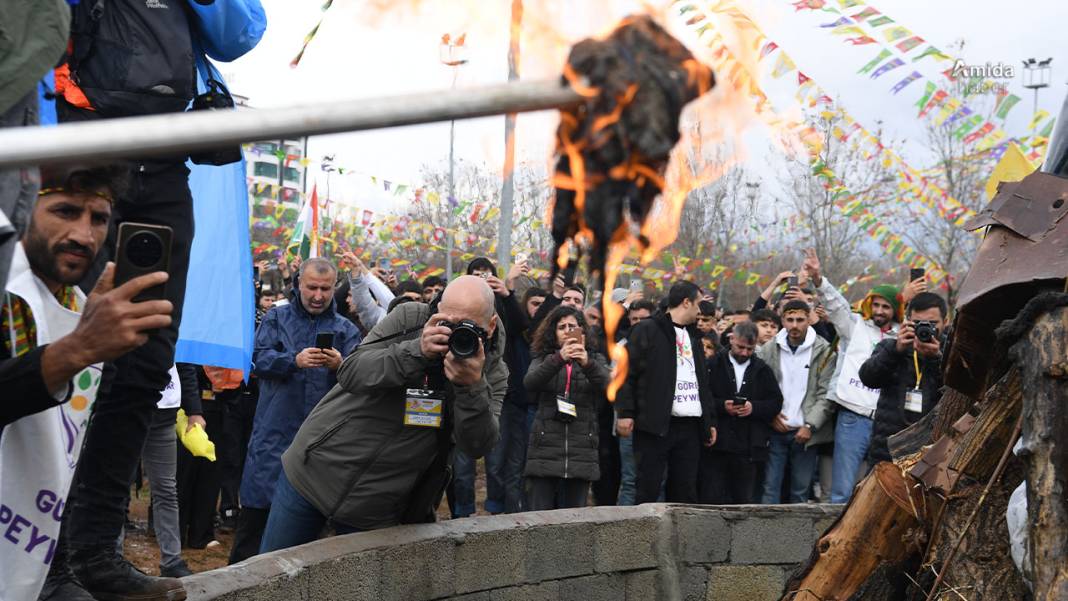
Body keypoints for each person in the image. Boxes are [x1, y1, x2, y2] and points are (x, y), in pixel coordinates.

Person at [56, 2, 263, 596]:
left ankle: (95, 554)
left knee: (146, 364)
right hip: (82, 149)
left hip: (165, 168)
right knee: (66, 358)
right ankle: (47, 560)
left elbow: (239, 33)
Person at [0, 166, 174, 601]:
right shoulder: (8, 291)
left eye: (99, 218)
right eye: (65, 211)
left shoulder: (79, 305)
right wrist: (77, 349)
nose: (84, 234)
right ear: (24, 210)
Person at [258, 276, 505, 552]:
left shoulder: (493, 372)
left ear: (491, 325)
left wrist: (471, 387)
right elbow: (351, 371)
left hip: (378, 505)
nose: (456, 334)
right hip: (315, 471)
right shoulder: (410, 320)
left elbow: (477, 445)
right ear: (438, 309)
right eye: (448, 322)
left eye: (468, 326)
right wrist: (416, 352)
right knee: (275, 568)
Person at [229, 258, 361, 563]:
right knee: (254, 526)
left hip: (321, 444)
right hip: (273, 436)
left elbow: (362, 377)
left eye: (325, 289)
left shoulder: (345, 329)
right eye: (312, 287)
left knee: (306, 539)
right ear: (298, 284)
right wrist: (293, 360)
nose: (318, 295)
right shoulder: (276, 319)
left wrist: (341, 365)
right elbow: (257, 360)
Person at [804, 249, 920, 503]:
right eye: (875, 304)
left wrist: (908, 298)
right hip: (852, 418)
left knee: (879, 492)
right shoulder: (853, 326)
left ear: (895, 310)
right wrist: (818, 278)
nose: (879, 310)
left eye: (885, 306)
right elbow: (836, 305)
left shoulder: (902, 336)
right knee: (842, 492)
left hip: (887, 423)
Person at [616, 281, 717, 504]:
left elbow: (702, 382)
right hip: (655, 424)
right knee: (648, 488)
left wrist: (709, 420)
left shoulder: (695, 337)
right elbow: (626, 374)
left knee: (685, 491)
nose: (700, 311)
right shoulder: (647, 329)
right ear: (686, 302)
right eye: (698, 304)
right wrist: (625, 412)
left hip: (690, 425)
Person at [523, 306, 610, 509]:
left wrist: (587, 363)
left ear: (583, 331)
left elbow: (609, 386)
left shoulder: (595, 359)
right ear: (553, 332)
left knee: (575, 516)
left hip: (582, 445)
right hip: (546, 444)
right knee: (540, 514)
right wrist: (559, 358)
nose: (567, 331)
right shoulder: (544, 357)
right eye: (562, 327)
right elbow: (529, 382)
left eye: (572, 326)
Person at [755, 299, 836, 504]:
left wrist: (810, 425)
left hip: (805, 432)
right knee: (770, 488)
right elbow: (759, 388)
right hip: (776, 428)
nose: (794, 325)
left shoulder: (823, 350)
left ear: (808, 320)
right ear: (782, 320)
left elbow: (826, 394)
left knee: (800, 491)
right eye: (790, 319)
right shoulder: (769, 349)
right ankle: (766, 526)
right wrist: (770, 416)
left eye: (800, 320)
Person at [701, 322, 783, 504]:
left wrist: (754, 408)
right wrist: (722, 406)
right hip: (717, 444)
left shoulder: (762, 369)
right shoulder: (713, 365)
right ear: (732, 339)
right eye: (740, 347)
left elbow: (775, 402)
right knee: (711, 497)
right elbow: (702, 397)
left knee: (743, 500)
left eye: (750, 349)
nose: (745, 353)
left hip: (748, 446)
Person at [861, 293, 947, 464]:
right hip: (887, 450)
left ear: (946, 321)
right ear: (907, 321)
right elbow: (868, 378)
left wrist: (937, 359)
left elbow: (960, 392)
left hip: (930, 452)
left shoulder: (951, 351)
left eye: (932, 323)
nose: (925, 329)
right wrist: (896, 350)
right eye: (918, 323)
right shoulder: (892, 346)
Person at [499, 286, 547, 513]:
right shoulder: (517, 333)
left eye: (543, 305)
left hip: (544, 407)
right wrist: (508, 291)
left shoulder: (550, 337)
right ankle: (513, 510)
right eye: (535, 304)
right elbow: (518, 321)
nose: (539, 309)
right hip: (519, 406)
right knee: (516, 463)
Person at [615, 299, 655, 506]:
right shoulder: (620, 348)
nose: (639, 324)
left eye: (644, 319)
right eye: (634, 319)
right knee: (630, 480)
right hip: (629, 422)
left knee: (657, 480)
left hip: (655, 423)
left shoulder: (662, 346)